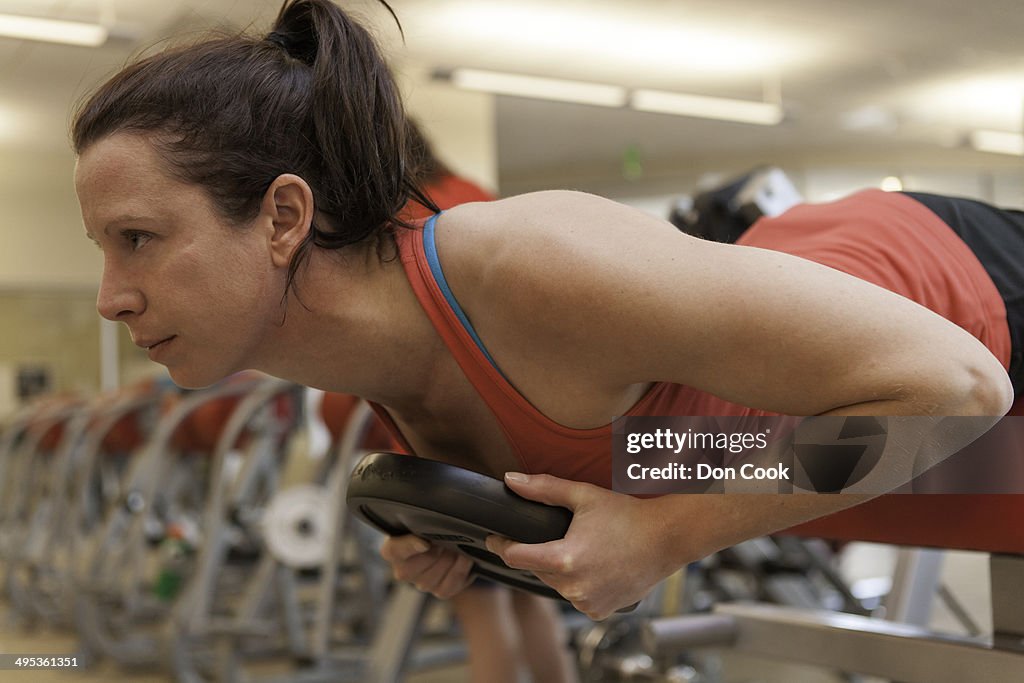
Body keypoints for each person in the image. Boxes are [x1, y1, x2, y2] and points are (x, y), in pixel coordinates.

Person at [72, 0, 1016, 642]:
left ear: (282, 218)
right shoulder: (367, 372)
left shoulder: (523, 264)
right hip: (828, 402)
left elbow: (957, 387)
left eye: (139, 239)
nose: (110, 293)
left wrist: (668, 536)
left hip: (961, 296)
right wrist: (494, 562)